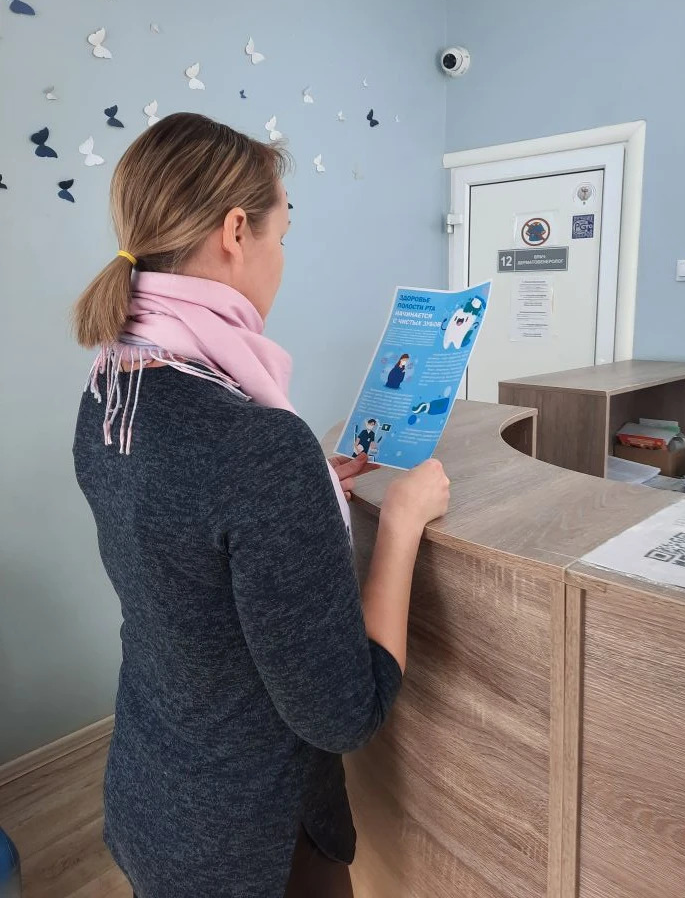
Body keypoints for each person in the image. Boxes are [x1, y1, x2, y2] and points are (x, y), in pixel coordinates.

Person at [72, 113, 450, 898]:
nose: (283, 258)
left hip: (151, 799)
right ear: (236, 231)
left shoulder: (109, 392)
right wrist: (401, 521)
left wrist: (306, 492)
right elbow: (345, 713)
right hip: (252, 845)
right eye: (283, 233)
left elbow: (190, 549)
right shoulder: (257, 446)